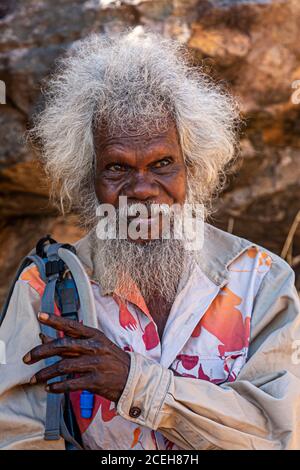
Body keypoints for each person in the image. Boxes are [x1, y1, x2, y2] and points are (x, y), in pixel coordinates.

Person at [0, 30, 299, 450]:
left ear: (192, 168)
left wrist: (131, 381)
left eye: (162, 163)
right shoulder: (44, 289)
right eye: (117, 168)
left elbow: (280, 433)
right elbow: (16, 435)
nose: (142, 188)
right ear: (89, 180)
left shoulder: (261, 281)